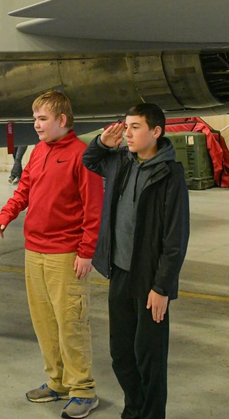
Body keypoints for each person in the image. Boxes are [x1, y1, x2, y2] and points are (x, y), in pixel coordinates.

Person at [0, 92, 104, 419]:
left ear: (62, 121)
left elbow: (93, 210)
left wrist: (86, 252)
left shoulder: (82, 157)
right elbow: (23, 190)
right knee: (44, 322)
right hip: (34, 252)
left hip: (65, 254)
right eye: (35, 118)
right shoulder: (39, 152)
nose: (36, 125)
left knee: (70, 322)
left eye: (43, 119)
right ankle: (57, 382)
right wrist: (5, 215)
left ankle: (83, 389)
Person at [82, 103, 190, 419]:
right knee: (121, 354)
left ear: (155, 132)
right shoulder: (122, 162)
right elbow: (90, 160)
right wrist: (103, 142)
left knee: (149, 357)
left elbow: (175, 239)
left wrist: (162, 287)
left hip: (150, 281)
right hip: (120, 273)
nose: (127, 133)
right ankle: (135, 409)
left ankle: (152, 414)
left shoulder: (170, 174)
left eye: (135, 127)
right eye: (126, 126)